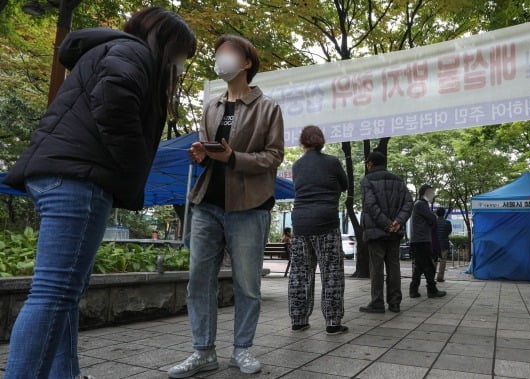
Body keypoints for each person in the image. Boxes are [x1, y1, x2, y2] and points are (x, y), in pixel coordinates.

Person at [2, 8, 196, 379]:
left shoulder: (109, 51)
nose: (180, 65)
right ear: (165, 42)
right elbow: (114, 102)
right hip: (81, 178)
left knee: (64, 294)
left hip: (61, 174)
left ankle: (66, 374)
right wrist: (132, 163)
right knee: (53, 294)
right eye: (181, 54)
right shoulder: (133, 53)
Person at [168, 34, 284, 377]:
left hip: (249, 205)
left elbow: (274, 157)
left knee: (247, 284)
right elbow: (210, 152)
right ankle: (203, 351)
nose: (221, 58)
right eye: (218, 53)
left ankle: (242, 350)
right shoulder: (211, 106)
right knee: (199, 281)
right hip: (207, 203)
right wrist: (202, 156)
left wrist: (234, 157)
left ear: (246, 62)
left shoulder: (267, 107)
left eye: (228, 53)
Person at [288, 126, 349, 334]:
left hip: (300, 223)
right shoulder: (332, 162)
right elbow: (345, 185)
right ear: (321, 141)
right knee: (331, 272)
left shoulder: (297, 165)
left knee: (300, 273)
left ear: (302, 142)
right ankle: (333, 322)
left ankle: (298, 320)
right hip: (326, 222)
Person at [359, 151, 414, 314]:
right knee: (394, 266)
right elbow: (409, 203)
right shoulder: (398, 180)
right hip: (394, 232)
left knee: (376, 267)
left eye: (367, 163)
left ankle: (377, 302)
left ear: (371, 164)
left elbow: (370, 205)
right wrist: (398, 222)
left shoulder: (367, 180)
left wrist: (386, 224)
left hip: (376, 231)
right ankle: (395, 303)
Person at [409, 184, 447, 298]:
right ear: (423, 194)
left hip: (419, 240)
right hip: (422, 240)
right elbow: (432, 218)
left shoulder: (419, 204)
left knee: (420, 266)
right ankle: (432, 290)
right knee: (429, 265)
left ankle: (413, 290)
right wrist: (431, 221)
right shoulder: (421, 204)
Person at [435, 207, 453, 282]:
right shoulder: (448, 223)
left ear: (436, 213)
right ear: (444, 213)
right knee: (443, 261)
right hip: (444, 244)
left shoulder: (433, 222)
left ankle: (431, 276)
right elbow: (449, 232)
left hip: (435, 245)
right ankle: (440, 277)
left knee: (434, 261)